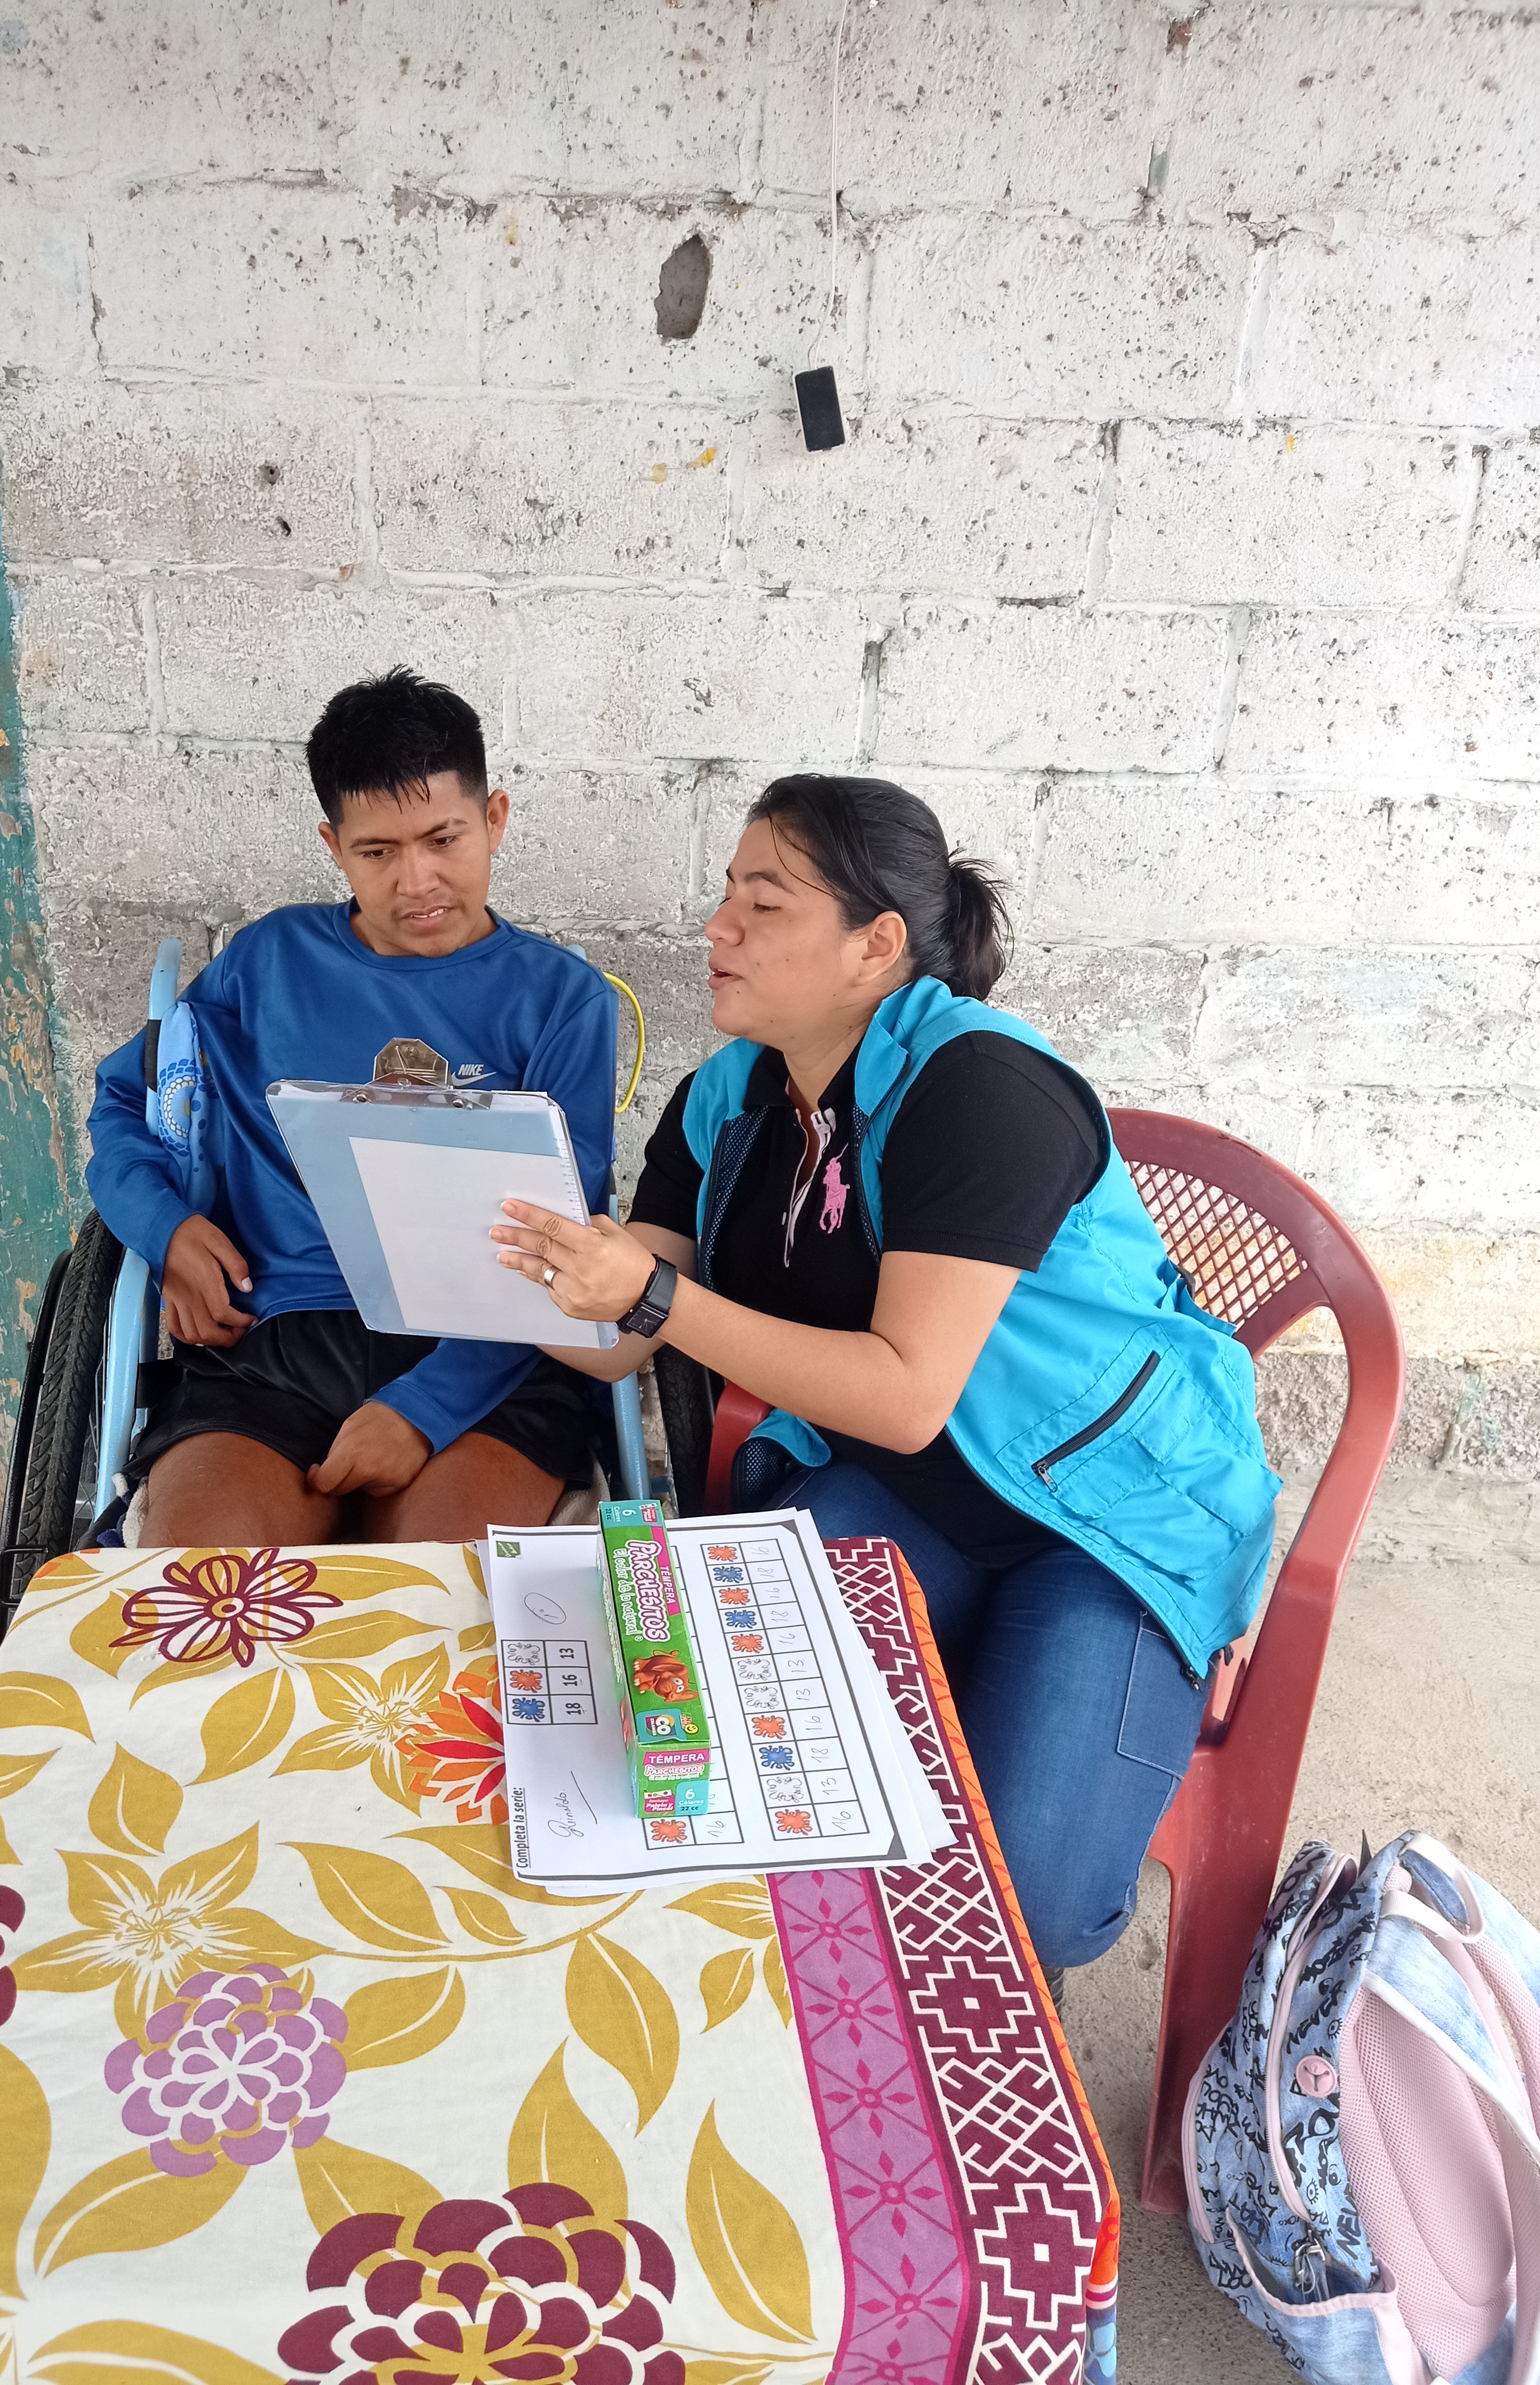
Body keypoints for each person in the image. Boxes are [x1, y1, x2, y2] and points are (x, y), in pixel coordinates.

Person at [492, 774, 1280, 1990]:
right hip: (904, 1495)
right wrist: (493, 1267)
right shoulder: (726, 1102)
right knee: (723, 1757)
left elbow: (906, 1392)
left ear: (876, 946)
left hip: (1102, 1523)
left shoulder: (981, 1090)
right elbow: (616, 1336)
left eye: (764, 903)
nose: (717, 926)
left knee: (1026, 1900)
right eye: (726, 892)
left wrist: (647, 1298)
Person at [86, 667, 616, 1547]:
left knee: (437, 1607)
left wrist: (423, 1409)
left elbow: (561, 1245)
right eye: (377, 853)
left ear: (494, 819)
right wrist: (165, 1231)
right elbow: (122, 1100)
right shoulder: (268, 963)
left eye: (444, 839)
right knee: (207, 1599)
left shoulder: (561, 1001)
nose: (418, 880)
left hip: (484, 1356)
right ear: (334, 846)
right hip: (272, 1343)